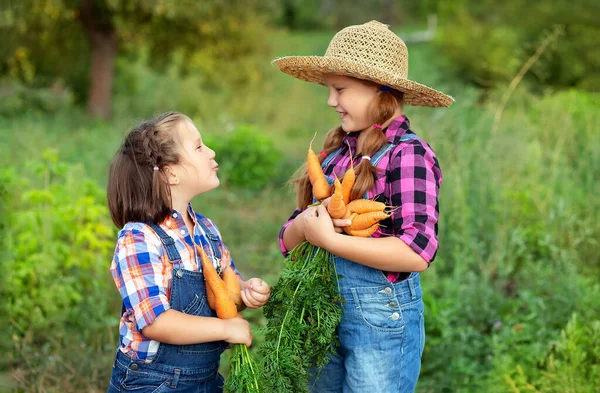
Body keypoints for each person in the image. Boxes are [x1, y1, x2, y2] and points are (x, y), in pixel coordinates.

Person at [273, 20, 453, 392]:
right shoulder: (338, 153)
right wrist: (305, 226)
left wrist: (332, 241)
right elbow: (288, 241)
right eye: (329, 90)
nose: (330, 101)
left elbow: (417, 252)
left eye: (340, 90)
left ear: (378, 90)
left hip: (380, 320)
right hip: (322, 309)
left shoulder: (409, 155)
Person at [105, 111, 270, 393]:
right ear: (171, 174)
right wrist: (226, 330)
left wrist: (245, 291)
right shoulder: (139, 238)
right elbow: (156, 323)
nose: (211, 151)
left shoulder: (206, 229)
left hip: (204, 379)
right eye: (198, 146)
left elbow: (227, 294)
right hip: (152, 383)